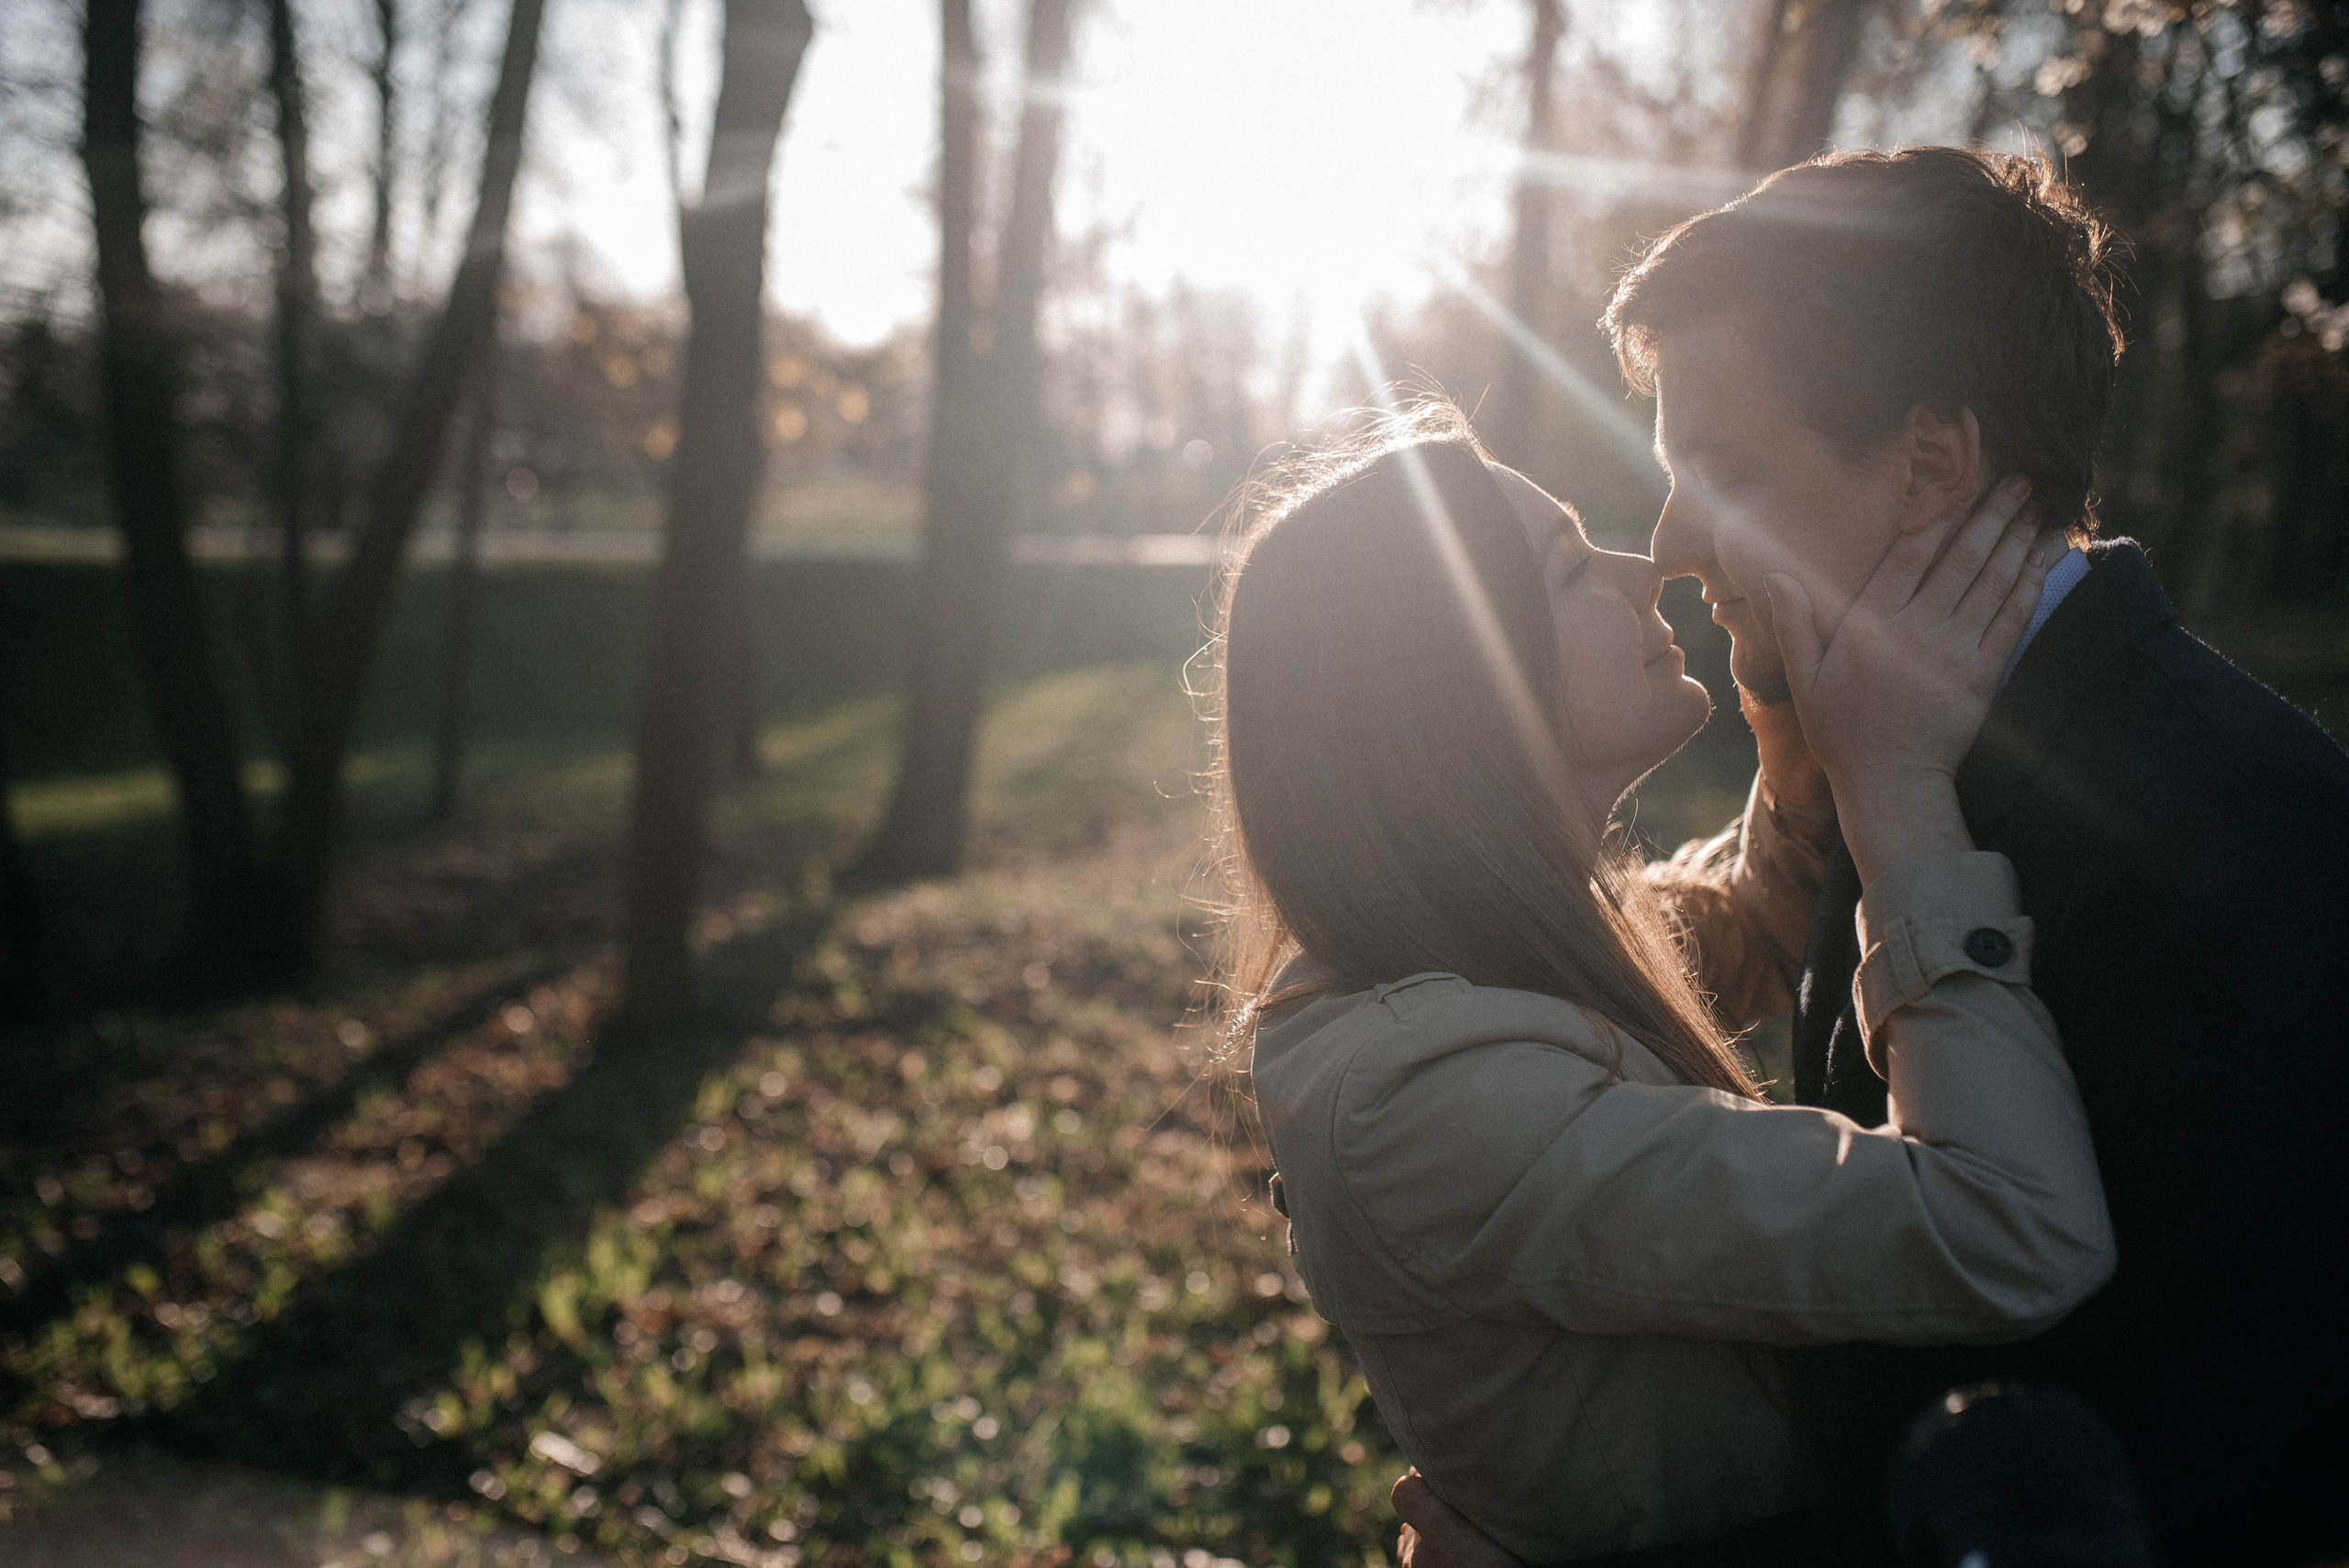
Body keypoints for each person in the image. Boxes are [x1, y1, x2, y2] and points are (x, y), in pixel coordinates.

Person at [1397, 147, 2349, 1566]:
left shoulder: (2252, 832)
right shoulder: (1891, 745)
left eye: (1723, 468)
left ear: (1929, 466)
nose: (1667, 543)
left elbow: (2153, 1491)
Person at [1222, 400, 2111, 1562]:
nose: (1645, 566)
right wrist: (1894, 785)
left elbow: (1735, 933)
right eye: (1566, 565)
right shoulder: (1424, 1094)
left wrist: (1795, 742)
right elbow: (2015, 1230)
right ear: (1454, 691)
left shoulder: (1488, 935)